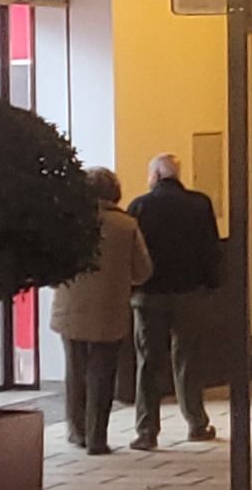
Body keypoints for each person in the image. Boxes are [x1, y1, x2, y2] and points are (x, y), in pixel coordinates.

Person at [52, 167, 152, 455]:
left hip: (70, 308)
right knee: (102, 373)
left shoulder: (68, 223)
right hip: (110, 308)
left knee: (75, 370)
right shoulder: (126, 226)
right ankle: (97, 437)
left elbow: (53, 265)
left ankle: (77, 430)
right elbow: (143, 271)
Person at [128, 153, 222, 450]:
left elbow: (134, 254)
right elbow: (210, 248)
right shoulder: (199, 204)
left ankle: (147, 431)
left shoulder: (139, 206)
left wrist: (132, 287)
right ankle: (196, 422)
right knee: (188, 360)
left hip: (149, 295)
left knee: (149, 362)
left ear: (155, 176)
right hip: (190, 294)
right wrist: (211, 285)